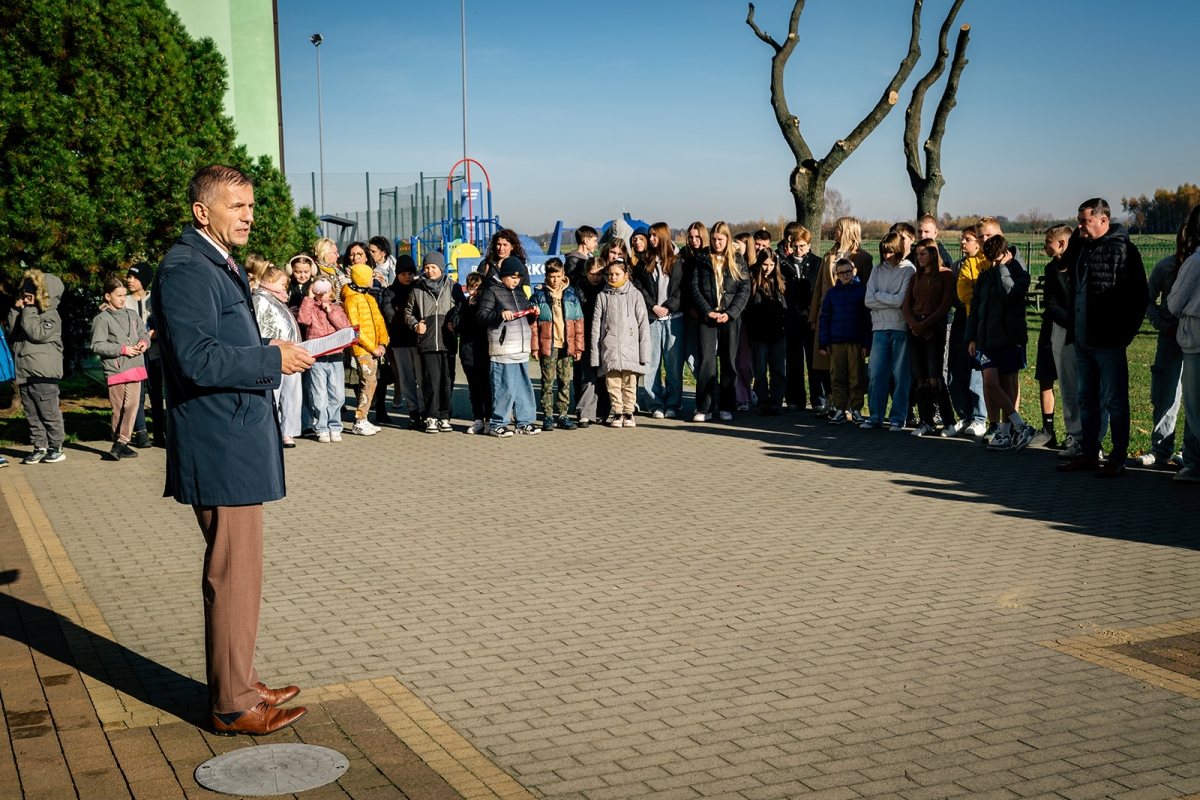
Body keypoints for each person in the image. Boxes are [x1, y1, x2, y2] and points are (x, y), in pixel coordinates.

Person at [153, 163, 313, 736]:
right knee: (232, 574)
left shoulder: (210, 261)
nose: (248, 215)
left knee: (242, 573)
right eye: (236, 206)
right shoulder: (187, 268)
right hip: (219, 442)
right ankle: (231, 704)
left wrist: (262, 348)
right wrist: (272, 358)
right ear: (203, 212)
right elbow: (197, 359)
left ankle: (239, 682)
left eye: (250, 205)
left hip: (233, 436)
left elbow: (219, 344)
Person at [1057, 198, 1148, 477]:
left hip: (1109, 342)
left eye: (1084, 220)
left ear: (1103, 221)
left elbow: (1138, 297)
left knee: (1115, 401)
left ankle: (1117, 458)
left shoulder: (1123, 250)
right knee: (1086, 399)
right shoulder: (1081, 247)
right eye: (1079, 220)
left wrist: (1125, 334)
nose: (1079, 225)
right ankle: (1089, 453)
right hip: (1083, 341)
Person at [965, 235, 1035, 452]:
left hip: (1008, 339)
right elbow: (975, 309)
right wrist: (971, 337)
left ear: (1006, 254)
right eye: (990, 261)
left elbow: (1009, 293)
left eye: (997, 260)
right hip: (986, 340)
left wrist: (1004, 268)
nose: (993, 265)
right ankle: (1021, 427)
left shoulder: (1020, 274)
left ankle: (1005, 433)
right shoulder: (984, 277)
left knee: (1007, 383)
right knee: (990, 382)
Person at [1137, 222, 1187, 467]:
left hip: (1194, 336)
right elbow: (1146, 299)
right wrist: (1161, 324)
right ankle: (1161, 447)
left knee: (1194, 397)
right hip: (1170, 338)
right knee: (1165, 394)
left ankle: (1190, 452)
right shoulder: (1165, 266)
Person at [811, 217, 872, 414]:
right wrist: (813, 317)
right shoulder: (829, 255)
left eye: (838, 229)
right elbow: (820, 287)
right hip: (828, 316)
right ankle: (835, 402)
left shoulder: (862, 258)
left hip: (851, 321)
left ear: (847, 231)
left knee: (853, 370)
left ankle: (852, 407)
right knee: (828, 364)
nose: (834, 232)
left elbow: (867, 291)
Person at [691, 221, 750, 422]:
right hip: (708, 318)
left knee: (728, 361)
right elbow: (695, 289)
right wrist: (708, 312)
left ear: (727, 239)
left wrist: (731, 312)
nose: (717, 243)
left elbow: (744, 289)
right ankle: (704, 408)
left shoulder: (738, 259)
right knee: (706, 362)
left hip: (730, 318)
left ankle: (726, 406)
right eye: (714, 239)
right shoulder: (702, 259)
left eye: (721, 239)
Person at [1043, 225, 1092, 459]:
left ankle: (1093, 437)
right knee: (1068, 386)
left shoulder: (1081, 264)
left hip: (1088, 330)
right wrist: (1073, 322)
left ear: (1062, 244)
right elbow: (1051, 304)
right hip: (1063, 331)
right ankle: (1075, 434)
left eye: (1048, 242)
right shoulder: (1052, 271)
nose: (1044, 247)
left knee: (1090, 387)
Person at [477, 256, 539, 437]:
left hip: (521, 350)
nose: (516, 281)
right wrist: (499, 314)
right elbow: (481, 316)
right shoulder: (492, 291)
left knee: (523, 388)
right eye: (512, 277)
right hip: (502, 350)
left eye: (518, 278)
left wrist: (533, 314)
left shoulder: (520, 293)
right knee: (504, 388)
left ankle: (524, 422)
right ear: (504, 275)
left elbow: (525, 317)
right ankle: (498, 423)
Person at [9, 269, 66, 465]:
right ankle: (39, 446)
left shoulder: (52, 316)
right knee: (32, 414)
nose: (26, 299)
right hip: (24, 372)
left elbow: (37, 333)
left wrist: (29, 308)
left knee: (49, 412)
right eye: (24, 295)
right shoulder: (26, 311)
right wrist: (16, 309)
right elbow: (11, 331)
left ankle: (56, 446)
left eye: (30, 295)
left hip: (44, 373)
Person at [90, 276, 150, 460]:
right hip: (116, 369)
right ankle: (119, 444)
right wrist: (122, 350)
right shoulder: (101, 319)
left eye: (125, 295)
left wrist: (143, 343)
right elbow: (96, 345)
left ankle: (121, 442)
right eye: (119, 296)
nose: (123, 299)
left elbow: (143, 334)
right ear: (108, 296)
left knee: (132, 405)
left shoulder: (132, 315)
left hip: (135, 366)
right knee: (119, 409)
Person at [901, 238, 956, 436]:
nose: (919, 257)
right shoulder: (915, 277)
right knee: (919, 378)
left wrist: (924, 325)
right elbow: (906, 305)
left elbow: (945, 305)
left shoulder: (945, 275)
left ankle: (949, 422)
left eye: (923, 253)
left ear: (933, 254)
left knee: (935, 377)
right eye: (917, 254)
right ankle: (926, 421)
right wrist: (914, 324)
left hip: (934, 328)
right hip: (916, 328)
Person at [861, 233, 915, 430]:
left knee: (900, 375)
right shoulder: (876, 270)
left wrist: (879, 297)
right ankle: (875, 417)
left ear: (899, 250)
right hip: (879, 329)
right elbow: (868, 300)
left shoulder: (909, 270)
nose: (887, 255)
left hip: (900, 328)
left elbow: (902, 300)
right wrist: (888, 299)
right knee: (876, 373)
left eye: (891, 251)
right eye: (884, 251)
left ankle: (897, 418)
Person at [405, 251, 462, 433]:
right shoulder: (417, 289)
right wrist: (415, 326)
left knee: (447, 381)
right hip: (428, 343)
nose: (429, 271)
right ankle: (431, 416)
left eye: (433, 267)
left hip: (448, 342)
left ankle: (445, 417)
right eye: (426, 267)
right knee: (431, 381)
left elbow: (462, 310)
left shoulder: (454, 287)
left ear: (441, 268)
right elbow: (408, 312)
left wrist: (456, 324)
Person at [591, 258, 650, 427]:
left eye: (617, 274)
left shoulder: (635, 295)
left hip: (631, 349)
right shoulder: (602, 296)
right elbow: (596, 326)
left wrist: (644, 353)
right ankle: (617, 412)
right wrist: (596, 356)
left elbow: (643, 324)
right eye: (610, 274)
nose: (613, 277)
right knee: (613, 383)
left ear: (626, 275)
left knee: (630, 383)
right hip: (609, 348)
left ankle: (629, 412)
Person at [634, 222, 684, 419]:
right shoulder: (644, 261)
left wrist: (669, 306)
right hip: (652, 319)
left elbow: (682, 289)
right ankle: (655, 404)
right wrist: (653, 306)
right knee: (651, 363)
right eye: (650, 235)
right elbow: (639, 287)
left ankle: (672, 404)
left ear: (663, 237)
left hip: (674, 319)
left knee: (673, 364)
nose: (651, 239)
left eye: (654, 236)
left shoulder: (678, 260)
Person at [945, 226, 990, 438]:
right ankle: (963, 415)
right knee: (956, 372)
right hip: (961, 322)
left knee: (975, 373)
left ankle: (979, 417)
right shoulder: (957, 265)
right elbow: (955, 295)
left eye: (969, 239)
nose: (963, 242)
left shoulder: (984, 264)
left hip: (978, 323)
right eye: (962, 238)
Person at [1166, 204, 1200, 483]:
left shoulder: (1195, 262)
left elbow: (1174, 302)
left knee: (1195, 408)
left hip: (1196, 341)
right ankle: (1193, 461)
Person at [252, 267, 303, 447]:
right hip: (274, 353)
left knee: (292, 395)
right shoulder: (259, 298)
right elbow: (256, 326)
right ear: (271, 281)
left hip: (291, 351)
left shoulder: (278, 299)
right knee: (274, 393)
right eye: (283, 283)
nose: (286, 287)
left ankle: (288, 431)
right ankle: (271, 429)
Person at [776, 224, 824, 413]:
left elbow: (818, 290)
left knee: (814, 362)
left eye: (803, 246)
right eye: (796, 245)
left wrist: (811, 312)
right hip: (791, 317)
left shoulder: (817, 263)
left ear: (809, 245)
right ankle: (795, 398)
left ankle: (818, 398)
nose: (799, 249)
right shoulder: (784, 263)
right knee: (794, 361)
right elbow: (783, 291)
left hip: (810, 318)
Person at [532, 258, 583, 431]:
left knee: (564, 381)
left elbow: (578, 323)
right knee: (547, 382)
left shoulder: (571, 295)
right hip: (548, 345)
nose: (555, 280)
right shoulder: (539, 295)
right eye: (551, 276)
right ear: (546, 276)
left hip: (566, 345)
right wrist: (535, 347)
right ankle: (547, 416)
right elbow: (533, 325)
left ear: (563, 275)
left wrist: (578, 347)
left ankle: (562, 414)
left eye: (558, 276)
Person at [297, 278, 352, 442]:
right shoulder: (310, 308)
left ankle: (335, 426)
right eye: (319, 292)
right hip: (317, 357)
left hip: (335, 356)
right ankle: (321, 427)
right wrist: (308, 297)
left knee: (337, 394)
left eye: (326, 291)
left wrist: (330, 311)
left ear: (332, 292)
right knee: (319, 395)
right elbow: (303, 320)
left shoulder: (337, 308)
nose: (322, 295)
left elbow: (345, 327)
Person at [819, 258, 871, 424]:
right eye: (841, 273)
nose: (845, 275)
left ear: (854, 271)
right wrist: (823, 342)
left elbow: (867, 321)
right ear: (837, 275)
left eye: (848, 271)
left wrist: (866, 344)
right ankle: (840, 409)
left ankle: (856, 410)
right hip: (836, 342)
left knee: (856, 377)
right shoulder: (832, 294)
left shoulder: (862, 292)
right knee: (837, 377)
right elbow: (824, 318)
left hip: (855, 342)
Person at [341, 261, 389, 435]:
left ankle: (364, 417)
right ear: (363, 279)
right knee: (367, 382)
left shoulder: (369, 298)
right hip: (362, 350)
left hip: (375, 348)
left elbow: (380, 322)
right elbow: (355, 329)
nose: (373, 279)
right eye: (370, 276)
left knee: (371, 382)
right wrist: (372, 347)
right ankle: (359, 420)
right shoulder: (351, 300)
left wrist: (382, 342)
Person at [744, 249, 788, 415]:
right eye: (764, 265)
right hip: (758, 333)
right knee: (760, 370)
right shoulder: (752, 281)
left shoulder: (781, 282)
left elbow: (788, 306)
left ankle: (776, 402)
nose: (768, 268)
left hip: (778, 332)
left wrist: (785, 323)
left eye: (771, 265)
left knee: (778, 370)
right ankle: (763, 402)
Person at [384, 255, 424, 430]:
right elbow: (390, 316)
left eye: (410, 273)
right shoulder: (389, 292)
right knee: (406, 380)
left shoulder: (419, 289)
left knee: (422, 379)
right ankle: (413, 413)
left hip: (418, 341)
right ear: (397, 274)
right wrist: (409, 317)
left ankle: (424, 411)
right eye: (403, 273)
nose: (407, 277)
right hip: (399, 342)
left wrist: (402, 312)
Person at [125, 262, 159, 449]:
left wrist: (154, 334)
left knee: (155, 392)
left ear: (144, 280)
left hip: (154, 354)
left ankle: (160, 431)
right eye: (129, 276)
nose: (129, 280)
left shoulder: (154, 299)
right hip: (135, 355)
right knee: (137, 394)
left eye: (134, 277)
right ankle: (141, 432)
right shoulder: (126, 301)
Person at [574, 256, 610, 428]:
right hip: (586, 337)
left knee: (604, 376)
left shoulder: (607, 289)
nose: (595, 277)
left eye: (599, 274)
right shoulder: (578, 289)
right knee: (588, 376)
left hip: (605, 338)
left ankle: (603, 411)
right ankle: (585, 412)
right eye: (592, 274)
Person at [455, 272, 492, 434]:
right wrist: (468, 307)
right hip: (468, 353)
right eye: (472, 288)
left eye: (479, 288)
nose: (476, 292)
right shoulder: (463, 305)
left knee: (487, 388)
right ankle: (478, 419)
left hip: (485, 352)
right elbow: (456, 326)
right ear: (467, 288)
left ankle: (490, 419)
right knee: (474, 389)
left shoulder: (487, 305)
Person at [732, 232, 758, 411]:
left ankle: (748, 392)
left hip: (753, 321)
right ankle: (742, 396)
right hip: (737, 318)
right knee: (738, 360)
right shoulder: (733, 265)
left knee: (749, 362)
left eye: (738, 243)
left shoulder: (755, 269)